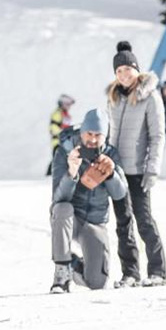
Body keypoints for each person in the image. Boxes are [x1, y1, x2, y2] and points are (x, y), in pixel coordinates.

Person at [107, 41, 166, 288]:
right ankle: (130, 273)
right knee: (123, 223)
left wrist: (152, 169)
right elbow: (110, 134)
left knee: (144, 220)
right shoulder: (113, 97)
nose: (124, 75)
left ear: (136, 69)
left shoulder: (150, 97)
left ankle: (158, 271)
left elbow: (158, 136)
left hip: (139, 171)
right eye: (119, 71)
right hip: (117, 170)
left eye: (128, 69)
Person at [50, 109, 127, 293]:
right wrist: (72, 172)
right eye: (89, 134)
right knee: (62, 209)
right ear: (82, 132)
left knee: (97, 283)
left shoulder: (110, 154)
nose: (92, 139)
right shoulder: (64, 151)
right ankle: (61, 273)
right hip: (71, 219)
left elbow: (120, 194)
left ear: (104, 136)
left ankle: (73, 264)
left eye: (98, 135)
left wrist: (111, 174)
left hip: (95, 222)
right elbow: (58, 199)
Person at [46, 94, 75, 176]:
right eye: (67, 104)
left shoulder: (66, 115)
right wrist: (63, 132)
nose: (69, 106)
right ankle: (49, 174)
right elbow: (53, 127)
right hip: (58, 141)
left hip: (66, 141)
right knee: (57, 158)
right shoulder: (57, 113)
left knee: (64, 158)